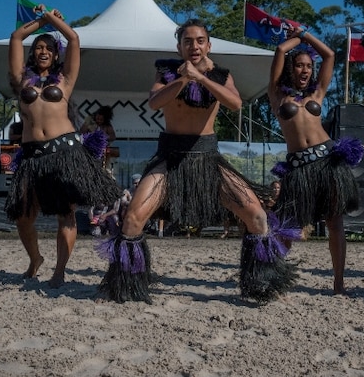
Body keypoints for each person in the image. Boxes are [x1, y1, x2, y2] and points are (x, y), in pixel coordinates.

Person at [96, 18, 297, 304]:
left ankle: (263, 285)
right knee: (132, 219)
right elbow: (154, 102)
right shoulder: (166, 72)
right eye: (188, 41)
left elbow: (235, 104)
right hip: (170, 158)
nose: (194, 46)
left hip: (208, 158)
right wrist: (184, 78)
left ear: (208, 45)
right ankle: (124, 288)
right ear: (179, 46)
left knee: (257, 217)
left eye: (200, 40)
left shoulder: (222, 75)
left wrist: (201, 78)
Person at [6, 5, 121, 288]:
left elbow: (74, 40)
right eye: (38, 48)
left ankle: (59, 271)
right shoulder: (22, 81)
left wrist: (54, 21)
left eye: (48, 48)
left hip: (64, 153)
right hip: (32, 156)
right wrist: (40, 21)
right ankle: (35, 259)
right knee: (23, 217)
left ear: (56, 55)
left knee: (65, 215)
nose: (42, 51)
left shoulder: (65, 80)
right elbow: (15, 38)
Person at [268, 27, 363, 295]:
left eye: (309, 66)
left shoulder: (317, 94)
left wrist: (306, 35)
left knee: (335, 223)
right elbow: (279, 50)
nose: (305, 70)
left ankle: (339, 282)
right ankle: (271, 274)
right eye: (299, 65)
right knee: (287, 224)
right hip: (298, 169)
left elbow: (330, 54)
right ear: (290, 69)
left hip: (327, 163)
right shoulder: (277, 95)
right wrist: (295, 37)